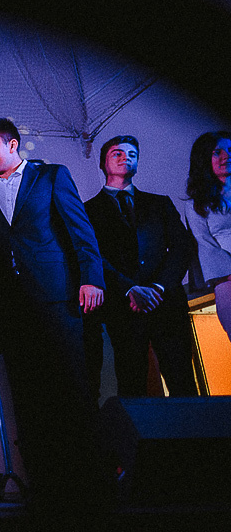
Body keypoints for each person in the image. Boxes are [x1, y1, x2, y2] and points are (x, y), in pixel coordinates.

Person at [0, 117, 106, 505]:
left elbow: (80, 231)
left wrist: (91, 278)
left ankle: (89, 476)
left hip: (58, 294)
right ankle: (49, 482)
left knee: (73, 383)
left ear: (12, 145)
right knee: (28, 394)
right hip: (15, 305)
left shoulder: (51, 176)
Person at [84, 136, 197, 400]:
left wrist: (158, 288)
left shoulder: (160, 203)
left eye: (132, 154)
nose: (126, 158)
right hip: (123, 308)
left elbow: (182, 247)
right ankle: (145, 443)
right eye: (118, 153)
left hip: (166, 303)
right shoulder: (87, 211)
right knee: (132, 384)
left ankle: (196, 440)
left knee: (182, 380)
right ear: (103, 163)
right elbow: (93, 256)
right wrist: (130, 289)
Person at [184, 132, 231, 343]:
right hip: (227, 277)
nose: (226, 156)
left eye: (230, 150)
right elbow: (206, 245)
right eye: (217, 152)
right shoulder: (196, 204)